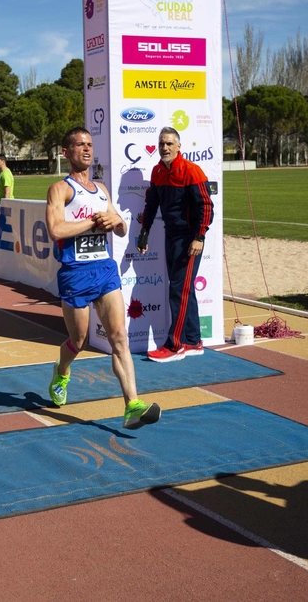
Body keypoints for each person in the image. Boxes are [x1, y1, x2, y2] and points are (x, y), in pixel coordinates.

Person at [46, 127, 160, 429]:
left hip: (104, 271)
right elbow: (56, 230)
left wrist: (117, 222)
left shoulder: (101, 189)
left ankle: (132, 405)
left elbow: (121, 228)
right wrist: (90, 223)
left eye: (89, 144)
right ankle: (62, 371)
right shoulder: (60, 189)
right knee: (79, 340)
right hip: (75, 274)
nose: (86, 149)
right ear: (66, 152)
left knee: (119, 337)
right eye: (79, 145)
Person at [137, 127, 214, 362]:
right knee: (183, 289)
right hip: (170, 236)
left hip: (190, 239)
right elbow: (151, 205)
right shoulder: (158, 171)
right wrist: (144, 233)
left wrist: (199, 237)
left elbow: (206, 206)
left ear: (179, 146)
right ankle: (193, 341)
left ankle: (176, 345)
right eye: (161, 144)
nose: (165, 148)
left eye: (169, 143)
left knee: (178, 290)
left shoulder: (191, 171)